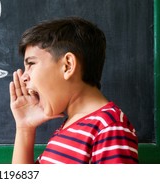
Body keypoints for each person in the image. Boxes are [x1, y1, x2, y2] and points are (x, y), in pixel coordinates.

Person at [10, 17, 138, 164]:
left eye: (31, 64)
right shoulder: (69, 127)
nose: (24, 76)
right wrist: (24, 127)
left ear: (68, 66)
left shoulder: (110, 128)